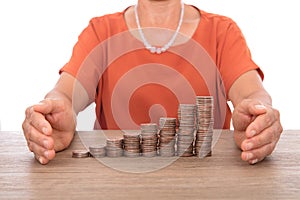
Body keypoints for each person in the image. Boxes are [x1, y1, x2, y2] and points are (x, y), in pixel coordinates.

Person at [22, 0, 282, 165]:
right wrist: (55, 109)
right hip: (118, 181)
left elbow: (252, 93)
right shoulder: (101, 31)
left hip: (205, 181)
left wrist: (258, 112)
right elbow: (66, 93)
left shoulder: (222, 31)